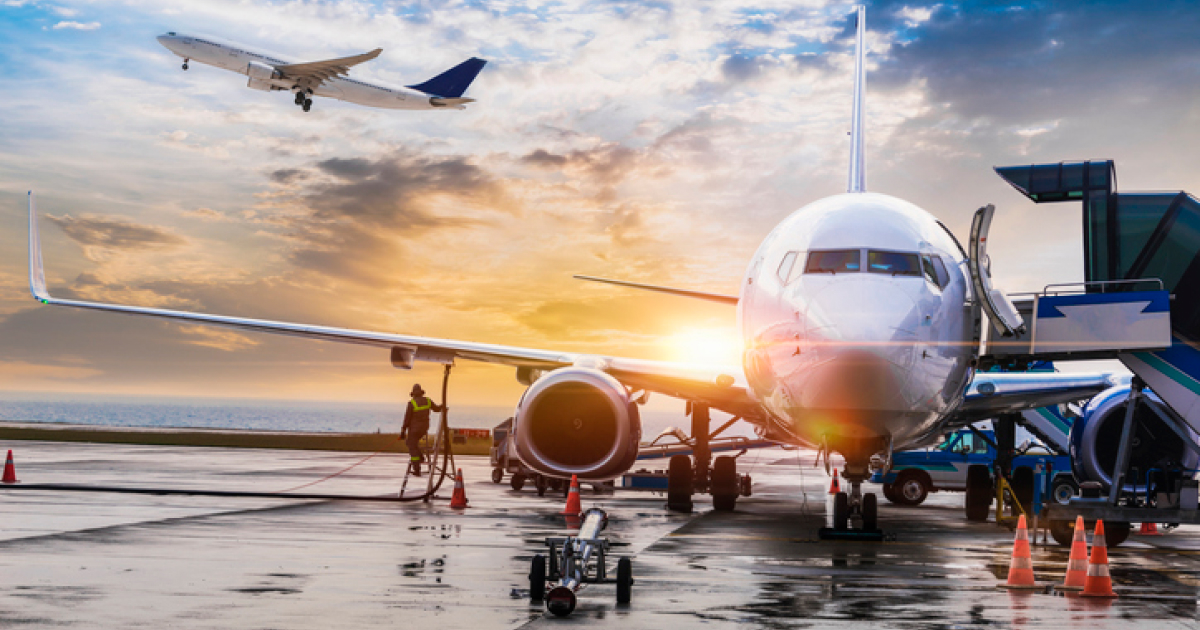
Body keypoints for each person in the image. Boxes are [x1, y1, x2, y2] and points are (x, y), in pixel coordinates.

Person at [401, 384, 443, 476]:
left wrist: (403, 431)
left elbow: (407, 419)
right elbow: (437, 409)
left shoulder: (411, 403)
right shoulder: (428, 401)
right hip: (425, 428)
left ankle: (417, 468)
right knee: (413, 443)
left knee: (411, 444)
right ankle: (420, 456)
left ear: (413, 394)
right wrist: (443, 405)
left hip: (414, 429)